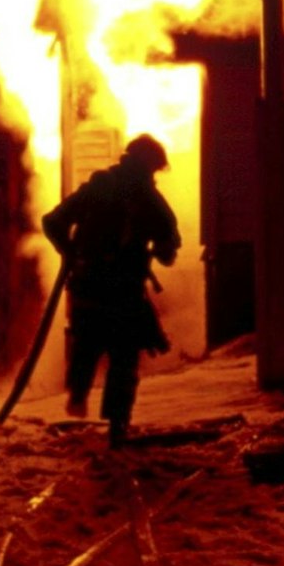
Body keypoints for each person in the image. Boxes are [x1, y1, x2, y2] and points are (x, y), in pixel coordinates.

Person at [42, 134, 181, 448]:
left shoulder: (99, 186)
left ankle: (78, 395)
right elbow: (169, 246)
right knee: (122, 358)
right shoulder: (148, 199)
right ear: (148, 165)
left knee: (88, 345)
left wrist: (72, 254)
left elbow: (52, 222)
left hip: (89, 286)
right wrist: (159, 250)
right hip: (123, 292)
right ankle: (117, 426)